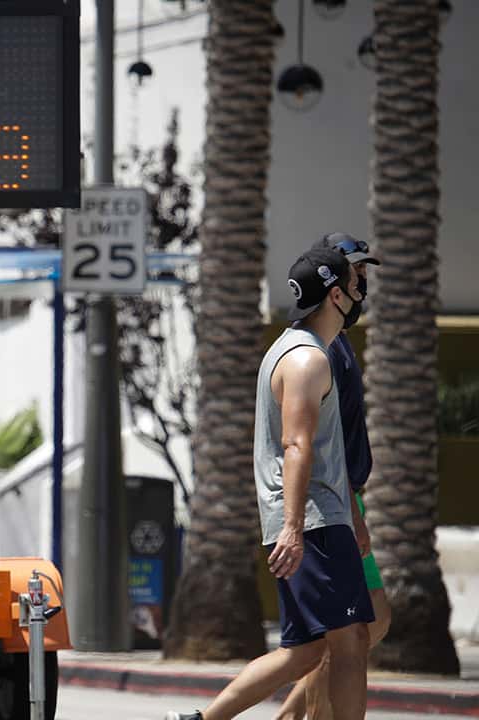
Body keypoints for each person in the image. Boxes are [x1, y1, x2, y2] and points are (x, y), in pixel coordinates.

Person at [167, 248, 374, 720]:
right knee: (351, 641)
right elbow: (296, 446)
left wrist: (353, 518)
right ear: (336, 295)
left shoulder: (295, 349)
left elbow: (322, 452)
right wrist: (295, 529)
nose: (363, 292)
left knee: (303, 651)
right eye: (356, 284)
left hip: (318, 517)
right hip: (312, 522)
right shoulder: (306, 361)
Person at [274, 233, 391, 720]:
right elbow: (316, 442)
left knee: (362, 626)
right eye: (356, 271)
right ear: (334, 281)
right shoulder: (319, 350)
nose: (363, 280)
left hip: (344, 497)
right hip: (333, 500)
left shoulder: (335, 341)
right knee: (349, 633)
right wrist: (346, 512)